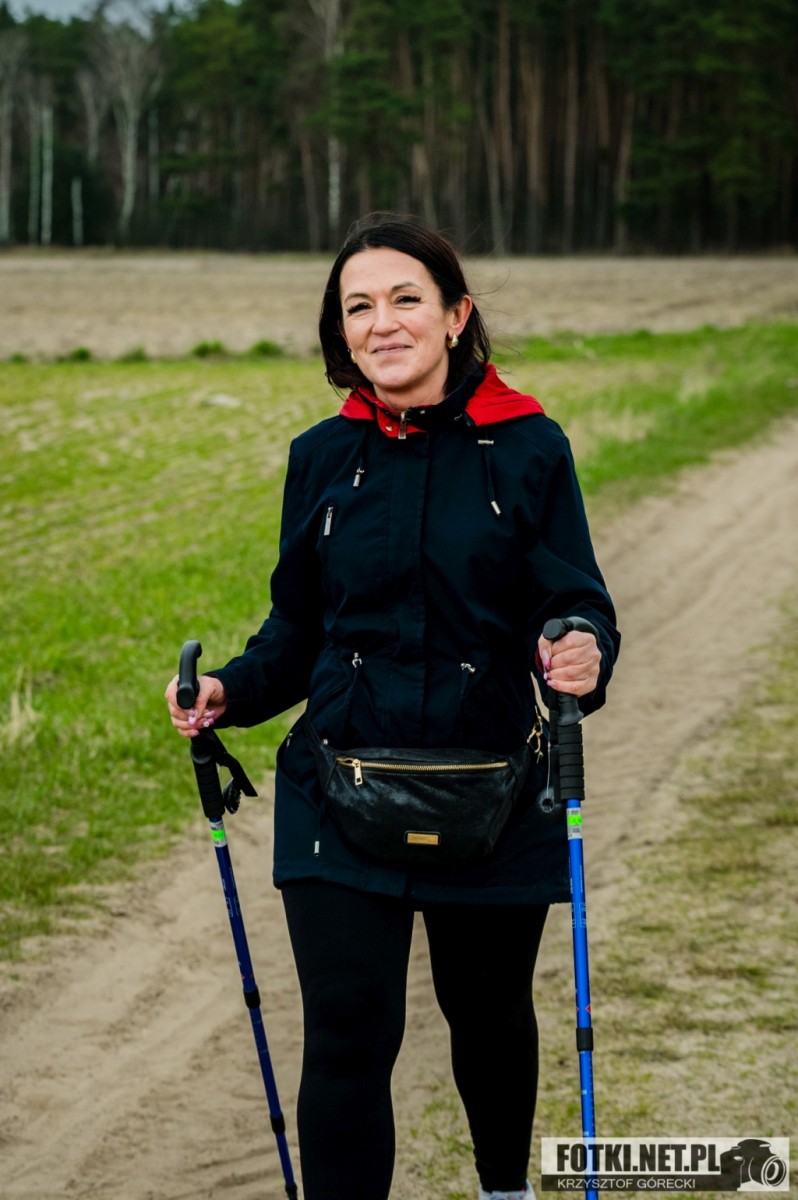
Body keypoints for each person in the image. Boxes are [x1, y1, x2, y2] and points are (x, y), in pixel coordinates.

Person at [165, 214, 620, 1200]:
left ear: (456, 315)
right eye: (359, 306)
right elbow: (298, 629)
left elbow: (573, 601)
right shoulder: (322, 457)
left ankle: (504, 1189)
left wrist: (582, 645)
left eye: (406, 298)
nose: (383, 322)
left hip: (490, 786)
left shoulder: (529, 447)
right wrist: (229, 691)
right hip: (338, 787)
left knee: (487, 1015)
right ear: (341, 329)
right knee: (345, 1029)